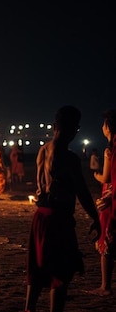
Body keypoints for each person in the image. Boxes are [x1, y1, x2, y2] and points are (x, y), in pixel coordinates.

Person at [25, 105, 101, 312]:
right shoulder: (70, 158)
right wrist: (96, 217)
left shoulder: (42, 150)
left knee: (37, 270)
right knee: (61, 274)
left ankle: (29, 308)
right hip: (58, 220)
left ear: (54, 126)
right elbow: (83, 193)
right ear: (74, 129)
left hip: (40, 217)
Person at [90, 109, 116, 296]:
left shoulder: (110, 150)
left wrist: (96, 175)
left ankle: (105, 286)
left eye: (104, 125)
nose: (102, 128)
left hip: (112, 199)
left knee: (107, 240)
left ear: (109, 127)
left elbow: (107, 176)